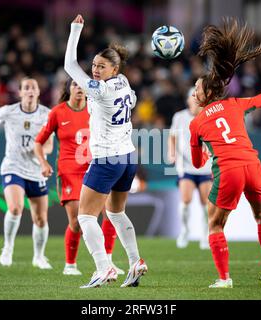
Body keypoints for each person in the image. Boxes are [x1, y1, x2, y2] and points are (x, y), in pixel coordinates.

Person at [189, 18, 261, 288]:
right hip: (253, 166)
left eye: (196, 90)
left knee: (215, 224)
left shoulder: (197, 123)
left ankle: (224, 279)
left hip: (229, 171)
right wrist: (260, 101)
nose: (194, 94)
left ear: (207, 94)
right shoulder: (236, 104)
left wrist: (204, 156)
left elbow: (195, 162)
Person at [64, 14, 147, 288]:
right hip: (127, 157)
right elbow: (132, 98)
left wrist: (75, 30)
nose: (95, 70)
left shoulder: (100, 91)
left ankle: (104, 267)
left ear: (114, 69)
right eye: (94, 65)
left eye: (101, 66)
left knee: (85, 216)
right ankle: (135, 262)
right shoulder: (123, 82)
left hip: (107, 159)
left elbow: (68, 65)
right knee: (115, 212)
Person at [34, 78, 125, 276]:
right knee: (77, 222)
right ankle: (70, 265)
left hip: (95, 168)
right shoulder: (58, 112)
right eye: (75, 85)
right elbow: (38, 142)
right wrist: (43, 163)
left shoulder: (97, 109)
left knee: (110, 213)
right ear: (68, 89)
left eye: (82, 86)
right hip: (69, 172)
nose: (79, 89)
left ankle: (108, 261)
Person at [0, 78, 53, 269]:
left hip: (36, 170)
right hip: (13, 166)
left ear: (38, 92)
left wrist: (40, 154)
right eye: (26, 88)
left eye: (33, 87)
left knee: (40, 219)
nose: (30, 90)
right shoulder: (9, 111)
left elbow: (49, 144)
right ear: (20, 92)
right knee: (15, 208)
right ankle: (7, 248)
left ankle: (38, 257)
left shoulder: (47, 115)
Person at [168, 88, 212, 250]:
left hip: (205, 167)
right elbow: (172, 136)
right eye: (193, 98)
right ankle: (185, 231)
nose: (195, 101)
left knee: (205, 203)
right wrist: (171, 153)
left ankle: (204, 235)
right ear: (188, 100)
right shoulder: (179, 117)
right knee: (185, 200)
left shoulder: (208, 117)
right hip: (185, 166)